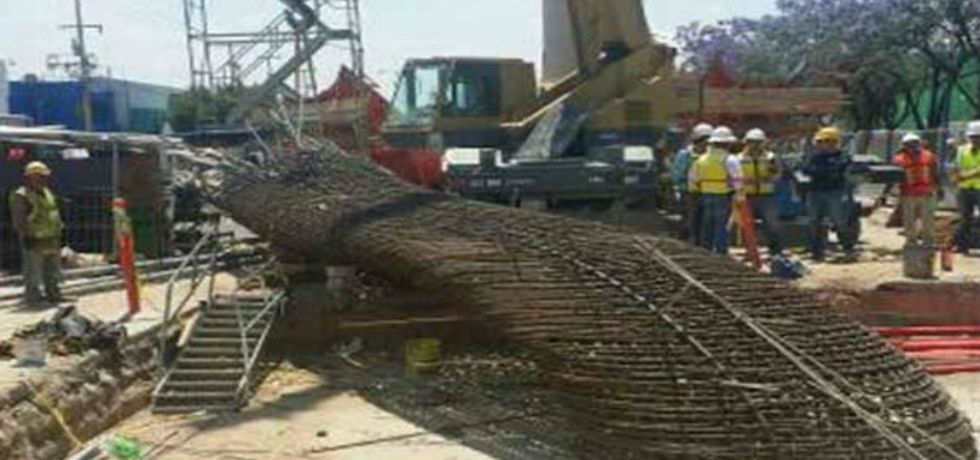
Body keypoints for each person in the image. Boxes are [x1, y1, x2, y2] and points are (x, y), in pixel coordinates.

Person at [8, 161, 64, 306]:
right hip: (33, 238)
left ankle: (54, 295)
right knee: (33, 271)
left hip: (51, 236)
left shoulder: (47, 192)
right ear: (30, 177)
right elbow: (19, 219)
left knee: (52, 269)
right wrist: (26, 236)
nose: (43, 179)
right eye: (39, 176)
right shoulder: (20, 195)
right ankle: (33, 298)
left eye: (44, 176)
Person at [802, 127, 856, 261]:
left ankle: (847, 248)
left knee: (839, 221)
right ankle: (817, 252)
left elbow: (839, 171)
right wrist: (825, 172)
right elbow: (806, 169)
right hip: (815, 193)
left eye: (824, 141)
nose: (821, 144)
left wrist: (823, 172)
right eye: (820, 142)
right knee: (814, 221)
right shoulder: (815, 157)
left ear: (833, 142)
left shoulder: (842, 157)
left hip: (834, 193)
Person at [689, 126, 743, 255]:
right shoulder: (729, 159)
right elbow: (737, 179)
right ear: (728, 143)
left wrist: (695, 193)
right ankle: (720, 252)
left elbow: (693, 178)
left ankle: (705, 250)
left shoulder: (701, 159)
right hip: (723, 196)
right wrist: (740, 196)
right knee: (721, 225)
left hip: (705, 195)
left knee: (707, 224)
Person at [738, 128, 784, 255]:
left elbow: (778, 174)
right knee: (746, 226)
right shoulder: (738, 158)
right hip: (746, 195)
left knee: (772, 224)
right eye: (752, 142)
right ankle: (750, 251)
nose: (755, 145)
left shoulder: (771, 157)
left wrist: (768, 178)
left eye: (758, 142)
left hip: (767, 195)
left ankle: (776, 252)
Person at [892, 132, 940, 248]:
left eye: (915, 143)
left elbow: (934, 172)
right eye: (909, 144)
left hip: (926, 193)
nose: (912, 146)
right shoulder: (899, 159)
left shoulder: (929, 156)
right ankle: (911, 241)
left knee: (928, 219)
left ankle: (928, 241)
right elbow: (895, 176)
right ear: (904, 145)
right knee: (909, 219)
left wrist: (938, 188)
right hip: (908, 194)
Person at [672, 123, 713, 244]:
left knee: (705, 220)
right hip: (689, 193)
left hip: (707, 191)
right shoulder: (685, 155)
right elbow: (677, 174)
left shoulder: (710, 156)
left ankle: (702, 243)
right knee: (690, 219)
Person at [952, 120, 980, 254]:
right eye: (973, 137)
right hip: (964, 189)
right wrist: (957, 176)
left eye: (977, 137)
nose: (975, 139)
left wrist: (966, 175)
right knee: (964, 219)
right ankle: (962, 246)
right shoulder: (962, 150)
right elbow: (956, 167)